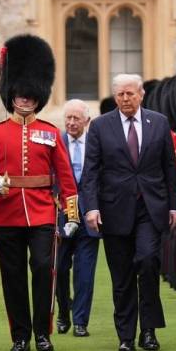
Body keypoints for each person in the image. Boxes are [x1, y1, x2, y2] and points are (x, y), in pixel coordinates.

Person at [0, 34, 79, 351]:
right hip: (7, 214)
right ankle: (20, 335)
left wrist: (71, 213)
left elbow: (65, 177)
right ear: (11, 94)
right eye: (19, 94)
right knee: (13, 276)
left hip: (42, 212)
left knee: (44, 268)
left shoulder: (49, 132)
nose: (25, 99)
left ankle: (42, 333)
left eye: (30, 95)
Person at [81, 73, 176, 351]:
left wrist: (175, 205)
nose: (125, 99)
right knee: (122, 276)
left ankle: (148, 331)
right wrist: (91, 208)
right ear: (115, 97)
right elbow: (90, 172)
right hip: (114, 210)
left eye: (130, 94)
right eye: (121, 95)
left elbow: (170, 168)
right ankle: (126, 335)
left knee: (148, 262)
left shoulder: (158, 123)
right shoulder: (101, 126)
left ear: (141, 95)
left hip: (151, 207)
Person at [55, 99, 101, 338]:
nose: (72, 123)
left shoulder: (95, 145)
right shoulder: (56, 143)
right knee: (60, 268)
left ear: (87, 121)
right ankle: (64, 310)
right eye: (68, 119)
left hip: (89, 217)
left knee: (85, 272)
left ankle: (81, 320)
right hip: (62, 217)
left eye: (76, 119)